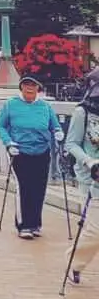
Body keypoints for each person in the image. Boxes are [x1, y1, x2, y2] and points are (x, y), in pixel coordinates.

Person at [0, 75, 62, 239]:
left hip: (42, 151)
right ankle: (23, 225)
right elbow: (1, 127)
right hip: (19, 151)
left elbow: (54, 125)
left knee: (39, 188)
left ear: (38, 88)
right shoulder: (11, 105)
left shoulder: (45, 106)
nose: (29, 88)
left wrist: (58, 132)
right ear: (21, 87)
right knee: (24, 187)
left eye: (33, 85)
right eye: (26, 84)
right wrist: (9, 143)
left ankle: (35, 224)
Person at [64, 67, 99, 285]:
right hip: (92, 176)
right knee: (95, 231)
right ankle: (74, 262)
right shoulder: (82, 113)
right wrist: (89, 161)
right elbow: (71, 144)